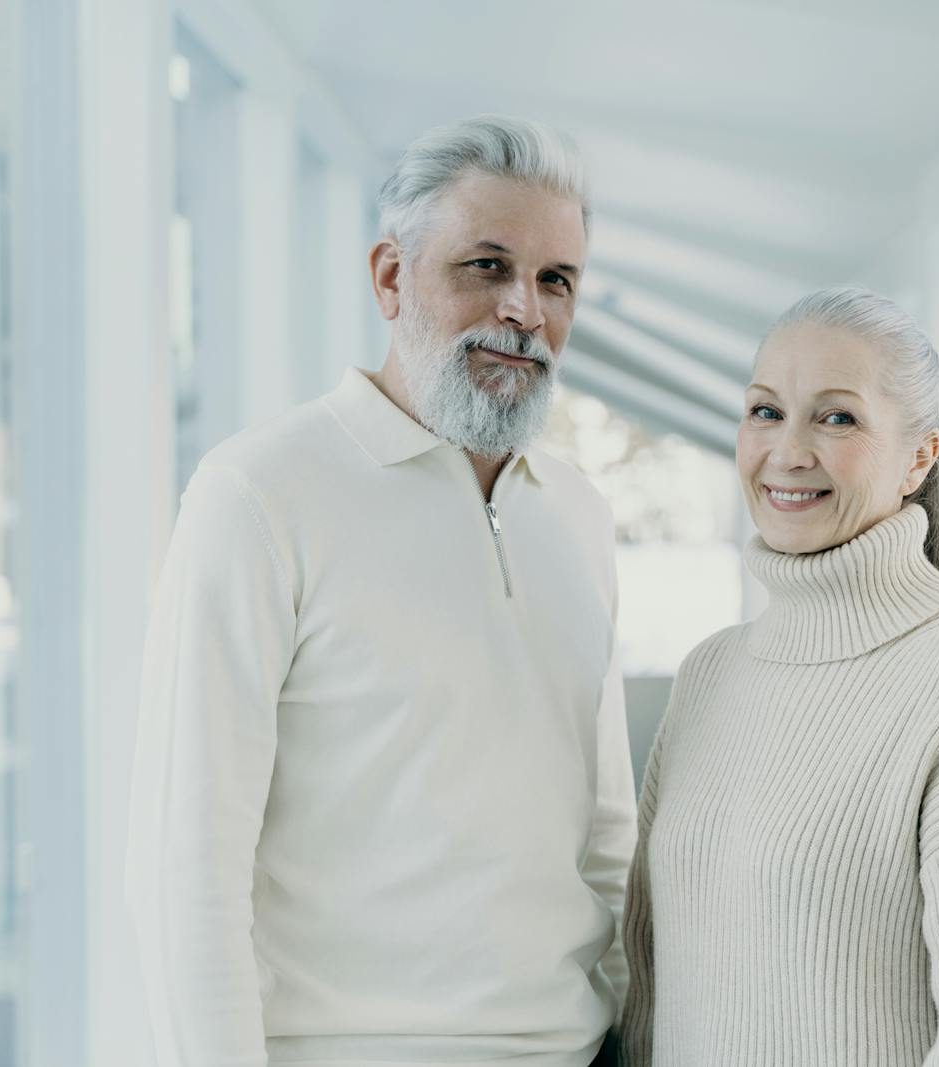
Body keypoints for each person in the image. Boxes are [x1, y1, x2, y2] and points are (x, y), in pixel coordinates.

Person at [126, 116, 636, 1067]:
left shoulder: (579, 513)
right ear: (392, 276)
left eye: (555, 279)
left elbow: (607, 832)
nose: (525, 309)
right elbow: (186, 865)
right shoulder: (257, 495)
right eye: (487, 266)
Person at [619, 287, 939, 1065]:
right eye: (765, 410)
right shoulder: (711, 673)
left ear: (919, 457)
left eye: (837, 417)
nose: (788, 451)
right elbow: (647, 986)